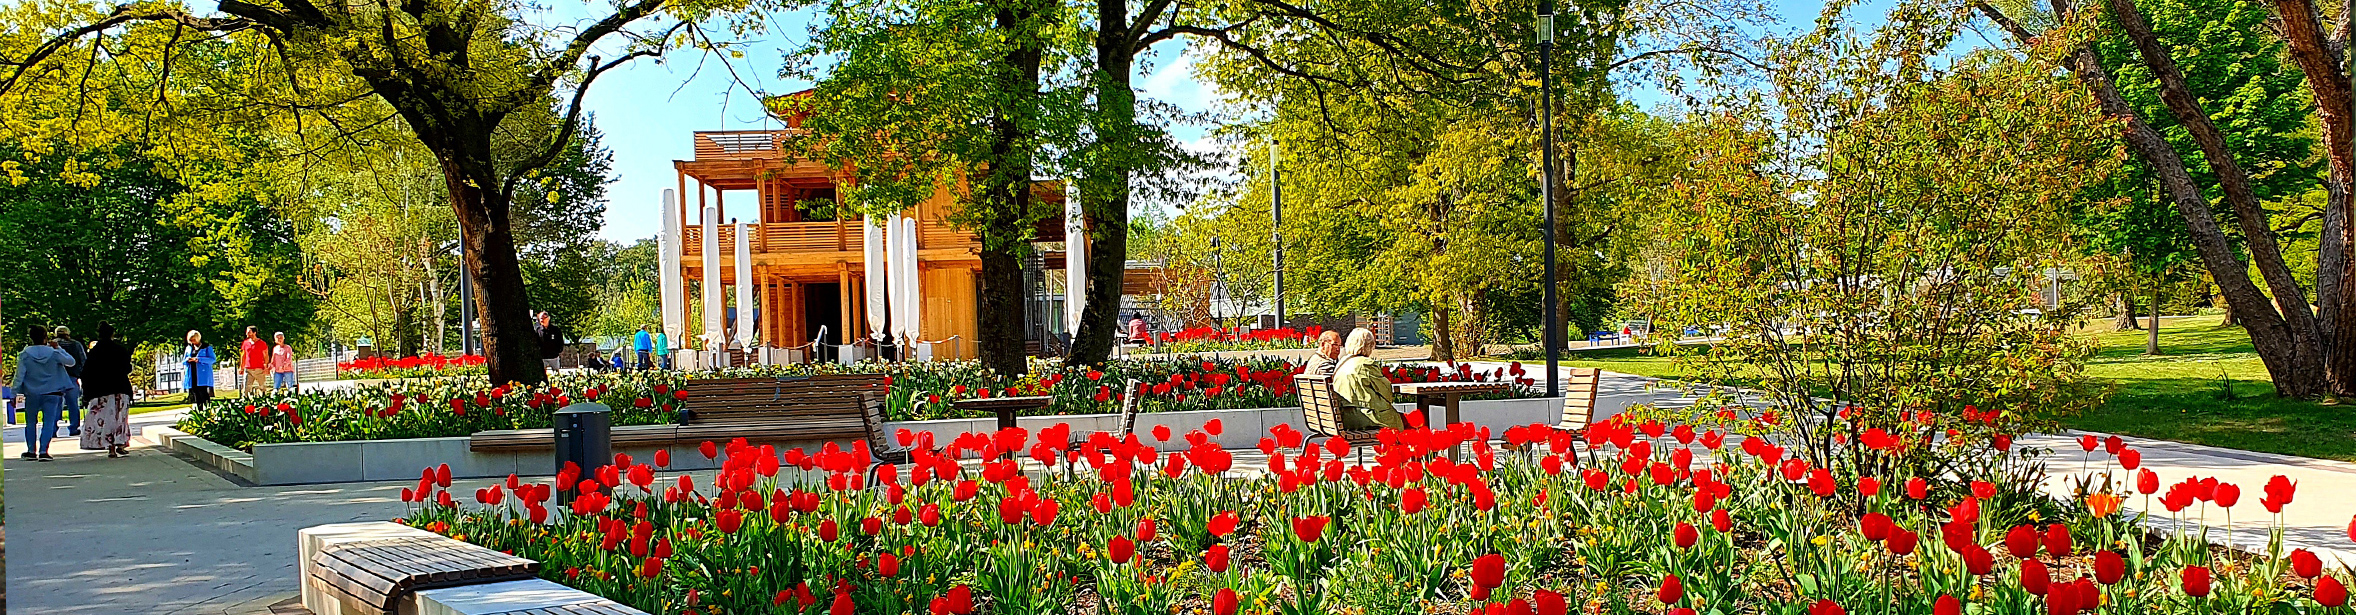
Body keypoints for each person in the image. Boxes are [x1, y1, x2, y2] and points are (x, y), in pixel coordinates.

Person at [14, 325, 79, 461]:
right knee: (48, 421)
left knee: (30, 422)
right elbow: (71, 362)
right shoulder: (53, 353)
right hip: (53, 391)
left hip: (32, 392)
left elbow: (19, 375)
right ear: (45, 337)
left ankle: (31, 450)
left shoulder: (25, 354)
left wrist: (15, 393)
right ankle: (44, 450)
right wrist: (59, 348)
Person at [1331, 328, 1406, 430]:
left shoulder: (1342, 363)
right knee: (1410, 422)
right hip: (1366, 417)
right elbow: (1387, 393)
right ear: (1369, 346)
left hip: (1346, 418)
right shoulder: (1366, 364)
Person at [81, 324, 136, 457]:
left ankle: (110, 446)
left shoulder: (94, 352)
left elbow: (86, 373)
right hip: (120, 387)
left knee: (107, 419)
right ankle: (120, 443)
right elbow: (127, 368)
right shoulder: (120, 350)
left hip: (101, 390)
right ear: (112, 334)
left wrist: (86, 393)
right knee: (120, 418)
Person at [52, 325, 87, 436]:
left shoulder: (51, 345)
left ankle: (52, 429)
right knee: (73, 404)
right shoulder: (76, 344)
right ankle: (73, 428)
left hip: (55, 378)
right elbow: (83, 360)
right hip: (72, 376)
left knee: (55, 405)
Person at [182, 330, 218, 413]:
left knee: (203, 393)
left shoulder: (206, 347)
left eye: (194, 340)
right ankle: (200, 412)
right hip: (192, 373)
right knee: (196, 394)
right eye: (191, 340)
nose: (192, 342)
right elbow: (184, 360)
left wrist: (199, 359)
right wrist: (188, 360)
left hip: (203, 375)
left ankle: (208, 412)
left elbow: (212, 359)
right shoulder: (189, 348)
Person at [239, 326, 268, 395]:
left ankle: (264, 402)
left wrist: (266, 366)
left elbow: (266, 355)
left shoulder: (262, 343)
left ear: (254, 333)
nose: (247, 334)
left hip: (259, 369)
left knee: (262, 387)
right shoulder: (245, 343)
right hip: (248, 369)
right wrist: (241, 367)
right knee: (246, 388)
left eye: (249, 332)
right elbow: (243, 355)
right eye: (247, 332)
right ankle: (246, 402)